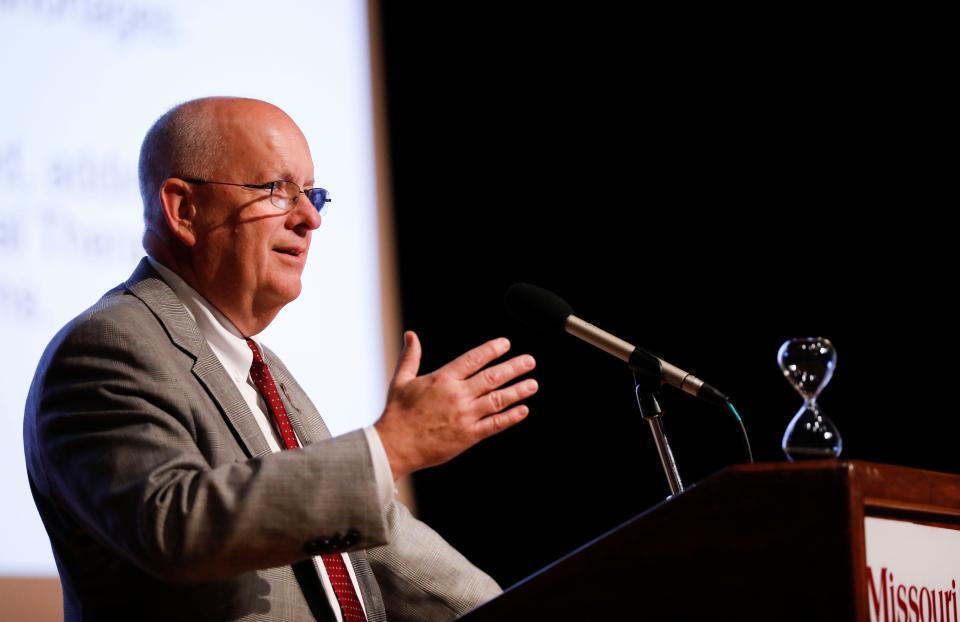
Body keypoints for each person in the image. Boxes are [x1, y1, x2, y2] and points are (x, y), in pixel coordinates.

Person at [23, 96, 539, 621]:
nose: (310, 218)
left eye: (313, 195)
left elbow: (379, 544)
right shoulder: (107, 347)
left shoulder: (260, 367)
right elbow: (176, 525)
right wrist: (392, 448)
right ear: (184, 209)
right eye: (277, 190)